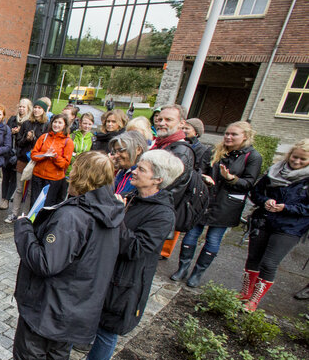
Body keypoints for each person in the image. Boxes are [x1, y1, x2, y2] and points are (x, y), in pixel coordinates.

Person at [0, 152, 123, 360]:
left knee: (31, 353)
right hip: (78, 303)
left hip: (50, 303)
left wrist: (24, 228)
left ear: (80, 176)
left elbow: (45, 262)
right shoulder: (111, 212)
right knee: (57, 352)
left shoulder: (74, 216)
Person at [64, 150, 181, 360]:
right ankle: (84, 342)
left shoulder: (162, 214)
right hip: (105, 271)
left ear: (158, 179)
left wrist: (116, 215)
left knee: (108, 328)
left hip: (125, 281)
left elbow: (136, 249)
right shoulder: (132, 196)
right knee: (92, 315)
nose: (134, 171)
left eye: (142, 169)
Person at [173, 121, 261, 287]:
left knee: (213, 239)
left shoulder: (252, 156)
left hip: (227, 205)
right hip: (205, 200)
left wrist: (231, 179)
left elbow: (249, 183)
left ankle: (197, 273)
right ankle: (182, 268)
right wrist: (203, 178)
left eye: (233, 134)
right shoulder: (214, 150)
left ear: (245, 137)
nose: (228, 137)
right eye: (227, 133)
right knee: (191, 234)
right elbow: (199, 169)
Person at [242, 139, 309, 310]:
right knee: (253, 258)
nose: (296, 161)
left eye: (303, 159)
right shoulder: (275, 171)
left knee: (269, 263)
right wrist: (265, 201)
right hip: (265, 220)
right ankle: (245, 293)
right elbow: (256, 192)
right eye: (294, 157)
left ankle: (254, 300)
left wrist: (287, 208)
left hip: (290, 227)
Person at [151, 104, 196, 259]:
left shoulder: (180, 151)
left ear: (182, 123)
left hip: (157, 212)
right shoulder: (162, 144)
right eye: (159, 119)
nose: (161, 123)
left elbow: (170, 188)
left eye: (168, 120)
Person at [8, 99, 49, 221]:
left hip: (36, 161)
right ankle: (14, 213)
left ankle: (25, 214)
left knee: (30, 190)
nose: (37, 110)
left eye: (39, 108)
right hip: (23, 159)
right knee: (19, 188)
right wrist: (27, 138)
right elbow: (19, 142)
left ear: (44, 111)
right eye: (35, 107)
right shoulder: (26, 123)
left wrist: (34, 138)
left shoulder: (46, 125)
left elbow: (45, 145)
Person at [29, 111, 74, 207]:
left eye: (60, 123)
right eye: (55, 122)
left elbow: (65, 164)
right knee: (34, 204)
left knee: (47, 205)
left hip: (54, 179)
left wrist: (55, 157)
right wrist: (45, 155)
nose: (56, 125)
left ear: (65, 125)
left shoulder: (68, 141)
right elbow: (34, 155)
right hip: (38, 175)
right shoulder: (44, 137)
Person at [0, 99, 31, 212]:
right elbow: (6, 133)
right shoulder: (12, 119)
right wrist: (12, 131)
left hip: (19, 154)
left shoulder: (29, 122)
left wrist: (20, 132)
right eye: (20, 106)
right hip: (8, 152)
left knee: (14, 178)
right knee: (5, 177)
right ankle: (2, 198)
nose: (21, 109)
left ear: (28, 109)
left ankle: (7, 199)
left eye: (24, 107)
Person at [109, 131, 149, 197]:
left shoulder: (141, 178)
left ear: (138, 150)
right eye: (115, 151)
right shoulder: (123, 171)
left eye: (121, 150)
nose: (116, 155)